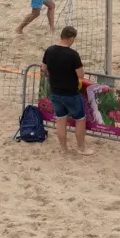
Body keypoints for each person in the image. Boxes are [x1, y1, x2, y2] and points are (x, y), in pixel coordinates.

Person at [41, 26, 93, 156]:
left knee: (60, 120)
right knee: (80, 119)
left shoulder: (49, 50)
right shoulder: (73, 55)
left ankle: (64, 149)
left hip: (55, 92)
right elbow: (81, 74)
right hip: (71, 93)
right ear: (71, 38)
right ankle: (81, 148)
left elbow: (43, 69)